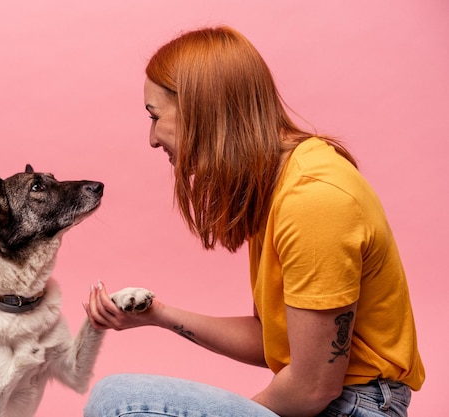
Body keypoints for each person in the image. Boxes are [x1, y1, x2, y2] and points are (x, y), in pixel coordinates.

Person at [83, 26, 424, 417]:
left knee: (119, 400)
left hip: (355, 408)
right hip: (341, 402)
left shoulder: (314, 198)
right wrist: (157, 314)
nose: (152, 139)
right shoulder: (282, 182)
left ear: (202, 109)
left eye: (155, 115)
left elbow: (314, 388)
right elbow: (280, 341)